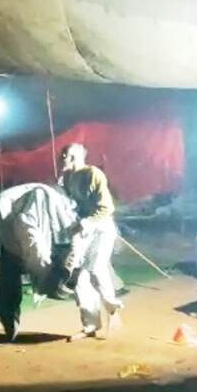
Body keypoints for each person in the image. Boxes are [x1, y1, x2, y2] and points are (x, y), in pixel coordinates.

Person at [57, 143, 124, 341]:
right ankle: (90, 325)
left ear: (78, 157)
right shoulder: (67, 178)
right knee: (79, 278)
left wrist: (86, 222)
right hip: (83, 231)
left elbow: (107, 207)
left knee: (96, 269)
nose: (63, 158)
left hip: (101, 228)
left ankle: (113, 311)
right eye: (63, 154)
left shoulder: (93, 174)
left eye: (68, 155)